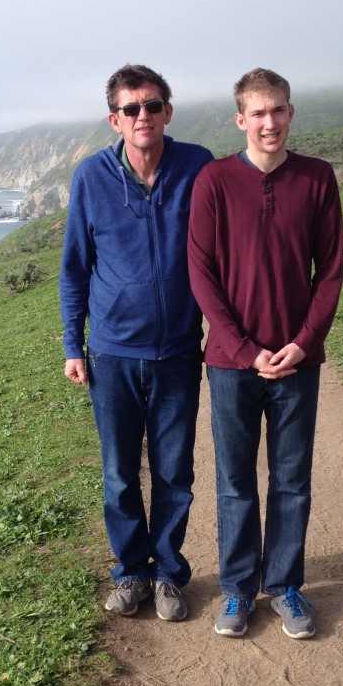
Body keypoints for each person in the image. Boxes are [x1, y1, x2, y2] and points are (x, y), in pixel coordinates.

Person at [188, 67, 343, 639]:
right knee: (234, 481)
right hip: (232, 364)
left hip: (298, 362)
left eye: (278, 110)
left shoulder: (318, 178)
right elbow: (201, 274)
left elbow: (329, 273)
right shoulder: (214, 181)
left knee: (291, 478)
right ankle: (236, 590)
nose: (269, 122)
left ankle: (284, 585)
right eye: (258, 113)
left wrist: (303, 344)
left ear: (290, 113)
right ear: (240, 120)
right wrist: (247, 349)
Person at [60, 64, 213, 622]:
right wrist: (72, 345)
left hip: (176, 352)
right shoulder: (91, 177)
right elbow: (76, 267)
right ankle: (130, 572)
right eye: (131, 109)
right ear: (115, 119)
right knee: (121, 473)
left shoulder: (198, 165)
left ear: (167, 111)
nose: (142, 116)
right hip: (112, 354)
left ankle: (169, 574)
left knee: (174, 472)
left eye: (152, 105)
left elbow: (224, 248)